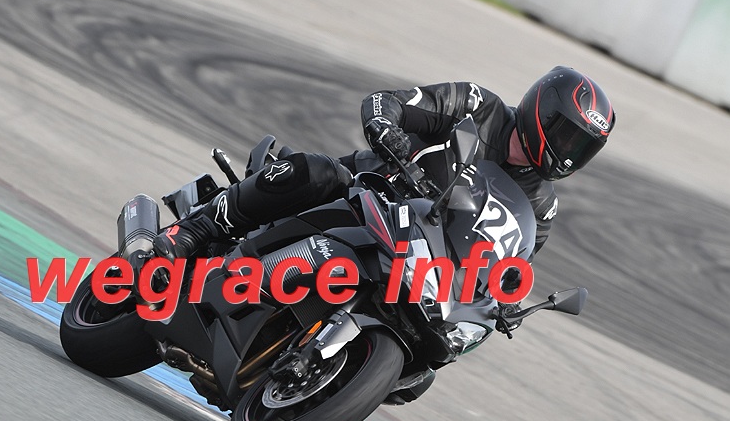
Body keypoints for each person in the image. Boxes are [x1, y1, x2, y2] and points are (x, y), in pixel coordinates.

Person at [154, 66, 615, 266]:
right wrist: (385, 126)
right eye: (567, 135)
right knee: (316, 172)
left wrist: (505, 298)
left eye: (583, 147)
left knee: (421, 371)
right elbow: (388, 101)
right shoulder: (479, 106)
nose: (568, 152)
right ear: (542, 111)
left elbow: (508, 269)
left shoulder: (542, 206)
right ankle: (196, 229)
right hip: (367, 192)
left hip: (422, 258)